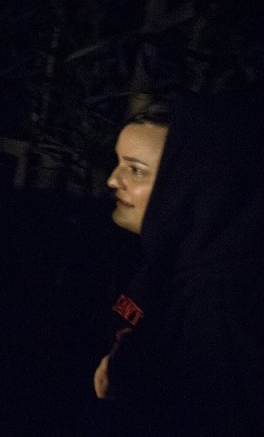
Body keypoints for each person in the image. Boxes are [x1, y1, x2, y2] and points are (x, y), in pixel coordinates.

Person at [90, 89, 264, 435]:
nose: (113, 180)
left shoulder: (220, 301)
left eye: (136, 170)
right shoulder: (172, 259)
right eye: (119, 163)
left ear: (192, 184)